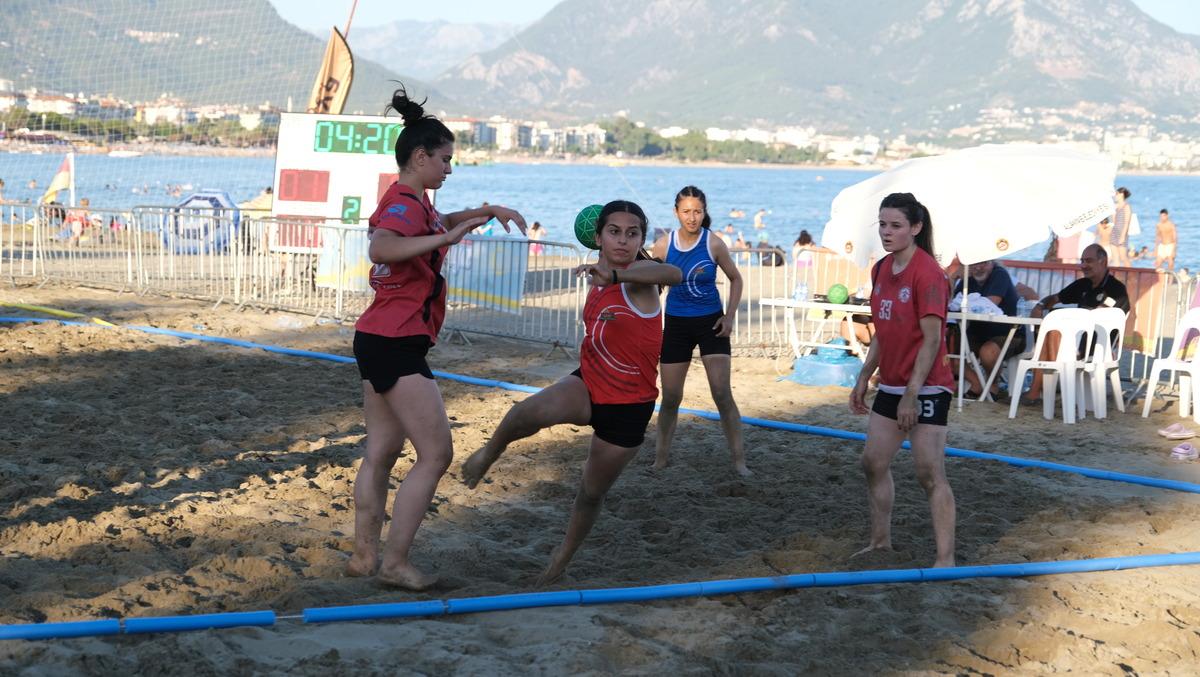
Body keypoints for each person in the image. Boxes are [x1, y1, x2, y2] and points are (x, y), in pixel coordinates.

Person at [347, 85, 526, 589]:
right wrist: (448, 237)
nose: (449, 169)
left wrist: (484, 212)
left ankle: (364, 558)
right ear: (420, 156)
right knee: (437, 454)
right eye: (445, 160)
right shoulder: (402, 204)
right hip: (396, 343)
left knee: (381, 453)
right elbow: (383, 246)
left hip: (379, 337)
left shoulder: (411, 200)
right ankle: (396, 563)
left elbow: (436, 223)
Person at [461, 200, 682, 584]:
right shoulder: (597, 271)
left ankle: (560, 560)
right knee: (524, 414)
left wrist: (616, 277)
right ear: (597, 237)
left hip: (629, 406)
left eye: (633, 234)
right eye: (614, 231)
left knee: (590, 493)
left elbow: (674, 272)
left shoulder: (640, 273)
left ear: (641, 240)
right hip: (589, 382)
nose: (623, 240)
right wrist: (605, 276)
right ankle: (487, 455)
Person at [849, 192, 956, 568]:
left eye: (895, 226)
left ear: (915, 228)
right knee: (873, 462)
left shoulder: (928, 274)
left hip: (927, 386)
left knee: (929, 473)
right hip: (892, 383)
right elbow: (883, 330)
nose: (886, 232)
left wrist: (912, 394)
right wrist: (864, 374)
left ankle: (946, 559)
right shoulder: (881, 269)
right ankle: (881, 542)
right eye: (882, 224)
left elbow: (932, 340)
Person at [651, 186, 748, 476]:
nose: (692, 217)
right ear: (676, 213)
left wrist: (729, 317)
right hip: (676, 325)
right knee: (670, 397)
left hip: (711, 324)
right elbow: (652, 287)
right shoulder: (663, 245)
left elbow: (736, 280)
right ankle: (660, 459)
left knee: (721, 393)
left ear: (704, 212)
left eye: (697, 211)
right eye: (686, 211)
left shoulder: (714, 244)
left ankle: (739, 461)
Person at [1018, 244, 1130, 405]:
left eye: (1089, 261)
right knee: (1052, 332)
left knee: (1053, 333)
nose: (1083, 265)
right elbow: (1055, 298)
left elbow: (1104, 317)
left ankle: (1037, 391)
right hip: (1077, 340)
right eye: (1082, 261)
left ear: (1103, 262)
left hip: (1098, 345)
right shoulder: (1083, 284)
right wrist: (1040, 306)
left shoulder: (1116, 289)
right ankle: (1041, 389)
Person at [951, 259, 1023, 399]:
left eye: (984, 263)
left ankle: (993, 385)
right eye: (974, 263)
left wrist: (963, 304)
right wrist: (954, 278)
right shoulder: (967, 279)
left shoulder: (999, 274)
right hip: (977, 332)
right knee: (952, 357)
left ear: (992, 262)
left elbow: (990, 304)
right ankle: (978, 384)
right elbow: (949, 301)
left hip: (1008, 332)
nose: (978, 267)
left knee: (988, 352)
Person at [1110, 187, 1133, 267]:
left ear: (1122, 194)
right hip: (1114, 232)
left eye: (1117, 194)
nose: (1115, 195)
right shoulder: (1116, 206)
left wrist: (1123, 236)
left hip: (1122, 233)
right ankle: (1117, 277)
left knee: (1123, 257)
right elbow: (1113, 221)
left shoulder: (1127, 206)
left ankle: (1131, 276)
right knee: (1115, 258)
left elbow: (1127, 222)